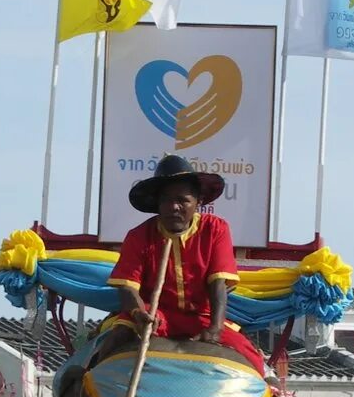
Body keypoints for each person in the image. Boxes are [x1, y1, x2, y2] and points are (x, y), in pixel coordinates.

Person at [105, 153, 263, 374]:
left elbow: (218, 284)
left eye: (183, 200)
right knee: (116, 338)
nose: (174, 207)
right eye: (167, 200)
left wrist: (215, 329)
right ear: (157, 203)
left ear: (198, 202)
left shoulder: (216, 229)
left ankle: (271, 384)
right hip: (156, 314)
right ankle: (82, 379)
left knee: (248, 354)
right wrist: (138, 314)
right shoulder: (139, 235)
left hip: (202, 317)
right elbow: (128, 286)